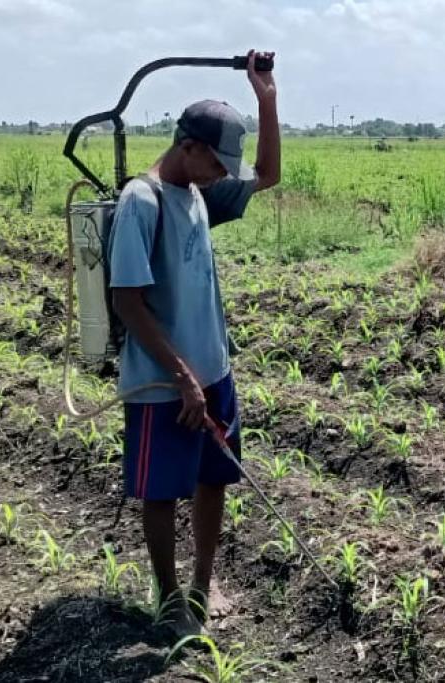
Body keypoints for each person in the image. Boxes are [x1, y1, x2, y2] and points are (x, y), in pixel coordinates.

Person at [107, 50, 280, 636]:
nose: (220, 173)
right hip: (162, 380)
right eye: (215, 161)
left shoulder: (200, 197)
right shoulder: (142, 201)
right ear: (188, 147)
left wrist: (267, 97)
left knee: (214, 480)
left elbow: (269, 175)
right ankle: (170, 597)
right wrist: (182, 377)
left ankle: (204, 586)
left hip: (214, 372)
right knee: (162, 491)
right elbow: (128, 301)